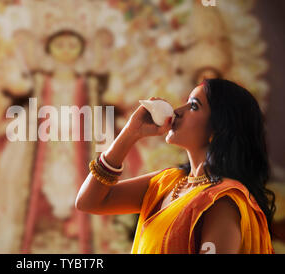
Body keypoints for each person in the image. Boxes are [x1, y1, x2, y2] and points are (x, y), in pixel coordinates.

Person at [76, 78, 275, 254]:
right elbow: (90, 202)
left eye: (194, 106)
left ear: (219, 127)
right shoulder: (168, 182)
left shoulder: (223, 201)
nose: (178, 111)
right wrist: (130, 133)